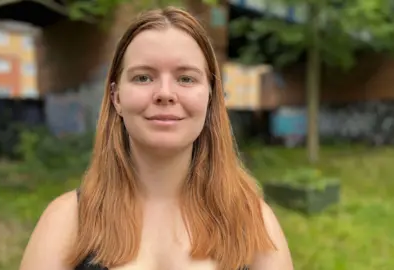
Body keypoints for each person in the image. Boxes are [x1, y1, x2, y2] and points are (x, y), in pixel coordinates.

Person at [19, 6, 293, 270]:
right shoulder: (66, 221)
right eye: (143, 78)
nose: (165, 93)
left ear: (210, 95)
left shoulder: (253, 222)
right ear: (116, 97)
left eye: (185, 79)